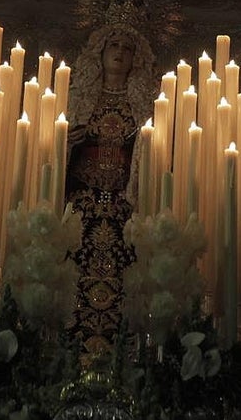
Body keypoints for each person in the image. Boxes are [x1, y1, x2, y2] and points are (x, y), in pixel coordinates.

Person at [64, 22, 156, 358]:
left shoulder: (144, 105)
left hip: (123, 210)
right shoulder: (78, 99)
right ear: (100, 53)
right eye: (113, 45)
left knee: (124, 285)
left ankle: (121, 357)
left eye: (127, 48)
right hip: (81, 209)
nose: (119, 52)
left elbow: (153, 156)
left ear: (136, 59)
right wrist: (64, 143)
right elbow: (46, 155)